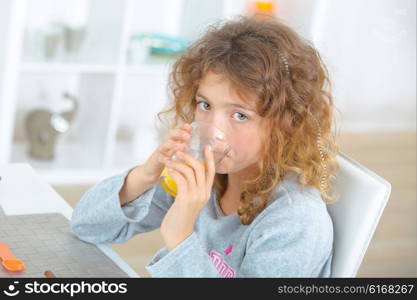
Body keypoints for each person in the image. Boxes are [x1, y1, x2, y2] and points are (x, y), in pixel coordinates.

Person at [70, 15, 341, 278]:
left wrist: (180, 238)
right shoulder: (205, 178)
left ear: (286, 124)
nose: (213, 130)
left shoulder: (295, 221)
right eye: (205, 105)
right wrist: (144, 176)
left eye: (240, 115)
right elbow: (85, 226)